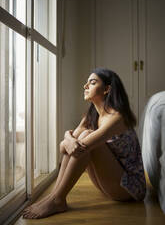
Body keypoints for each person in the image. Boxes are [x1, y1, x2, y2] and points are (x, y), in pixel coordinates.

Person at [22, 68, 146, 219]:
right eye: (86, 83)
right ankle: (55, 195)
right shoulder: (91, 115)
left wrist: (69, 138)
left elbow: (79, 148)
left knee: (85, 136)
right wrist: (69, 137)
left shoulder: (117, 117)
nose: (85, 86)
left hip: (130, 189)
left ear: (107, 89)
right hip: (111, 183)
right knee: (82, 137)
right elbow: (64, 148)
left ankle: (57, 199)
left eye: (92, 83)